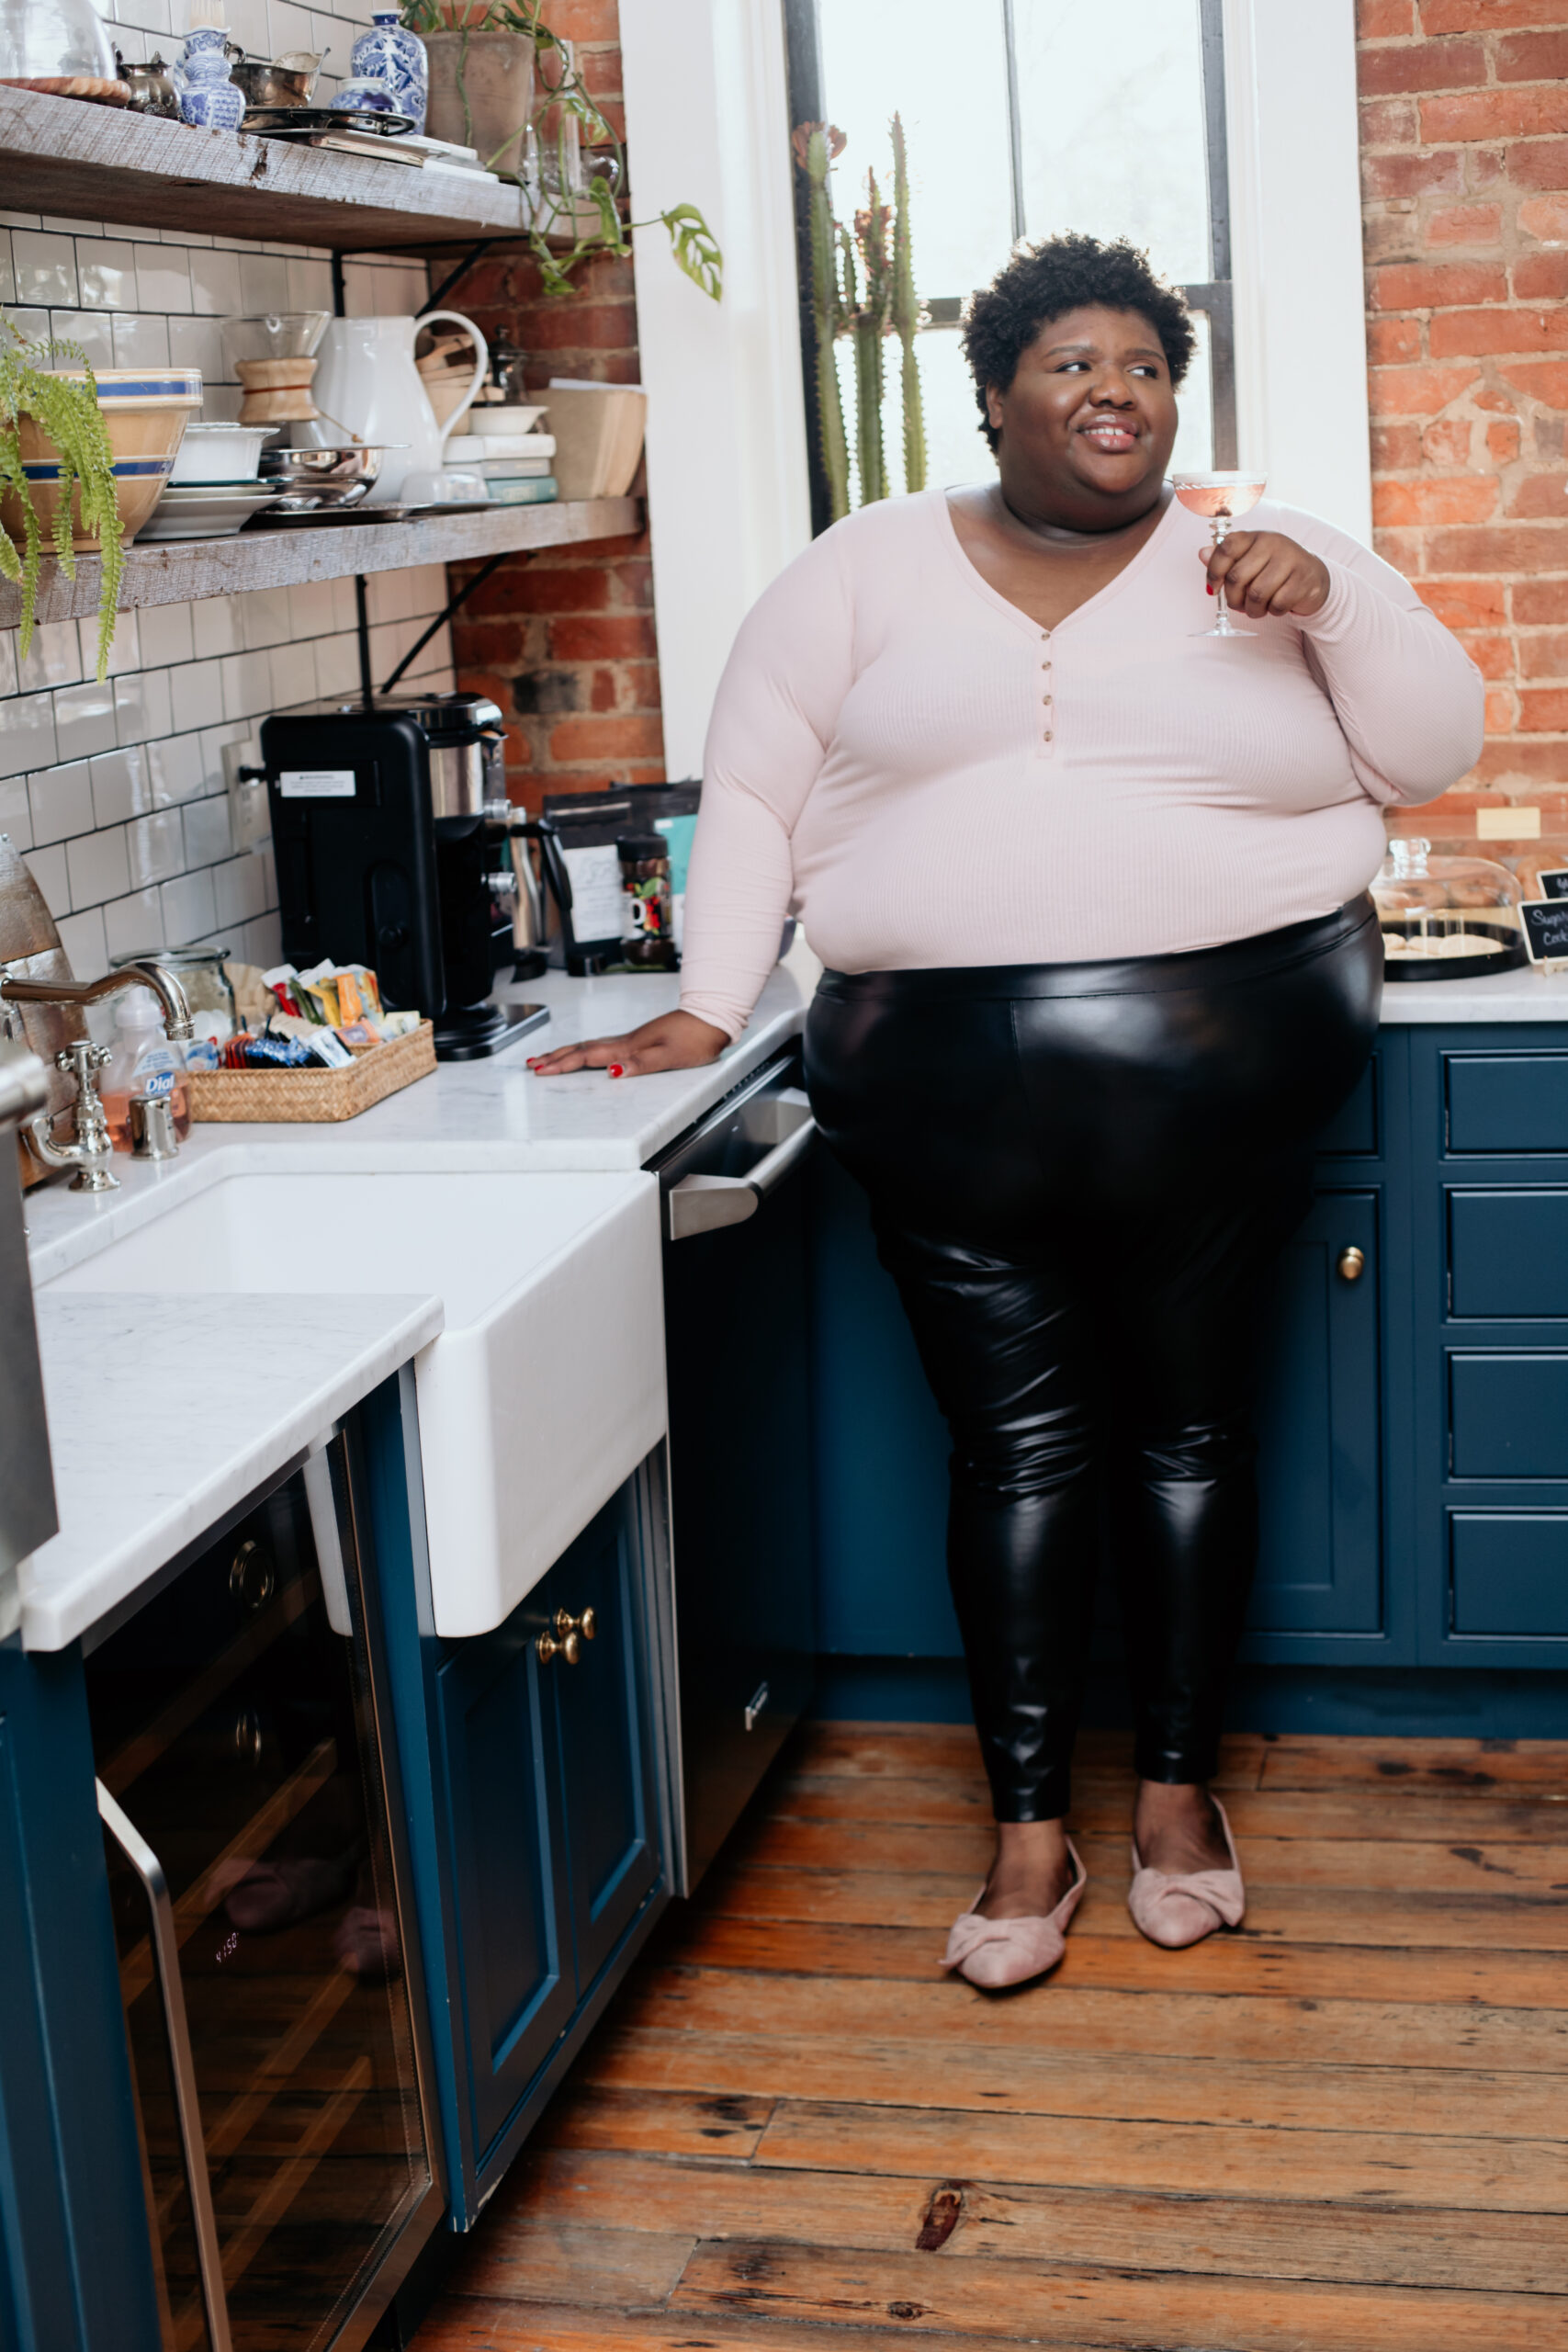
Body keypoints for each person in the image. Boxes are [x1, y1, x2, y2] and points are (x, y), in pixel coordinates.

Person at [528, 233, 1483, 1988]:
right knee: (1022, 1450)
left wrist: (1333, 599)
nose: (1115, 387)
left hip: (1225, 1078)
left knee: (1190, 1434)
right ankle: (1028, 1827)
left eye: (1145, 362)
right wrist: (707, 1005)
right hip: (938, 1098)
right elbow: (751, 790)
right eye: (1071, 361)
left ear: (1174, 399)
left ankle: (1180, 1799)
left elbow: (1433, 747)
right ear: (993, 394)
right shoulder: (858, 572)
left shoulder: (1259, 559)